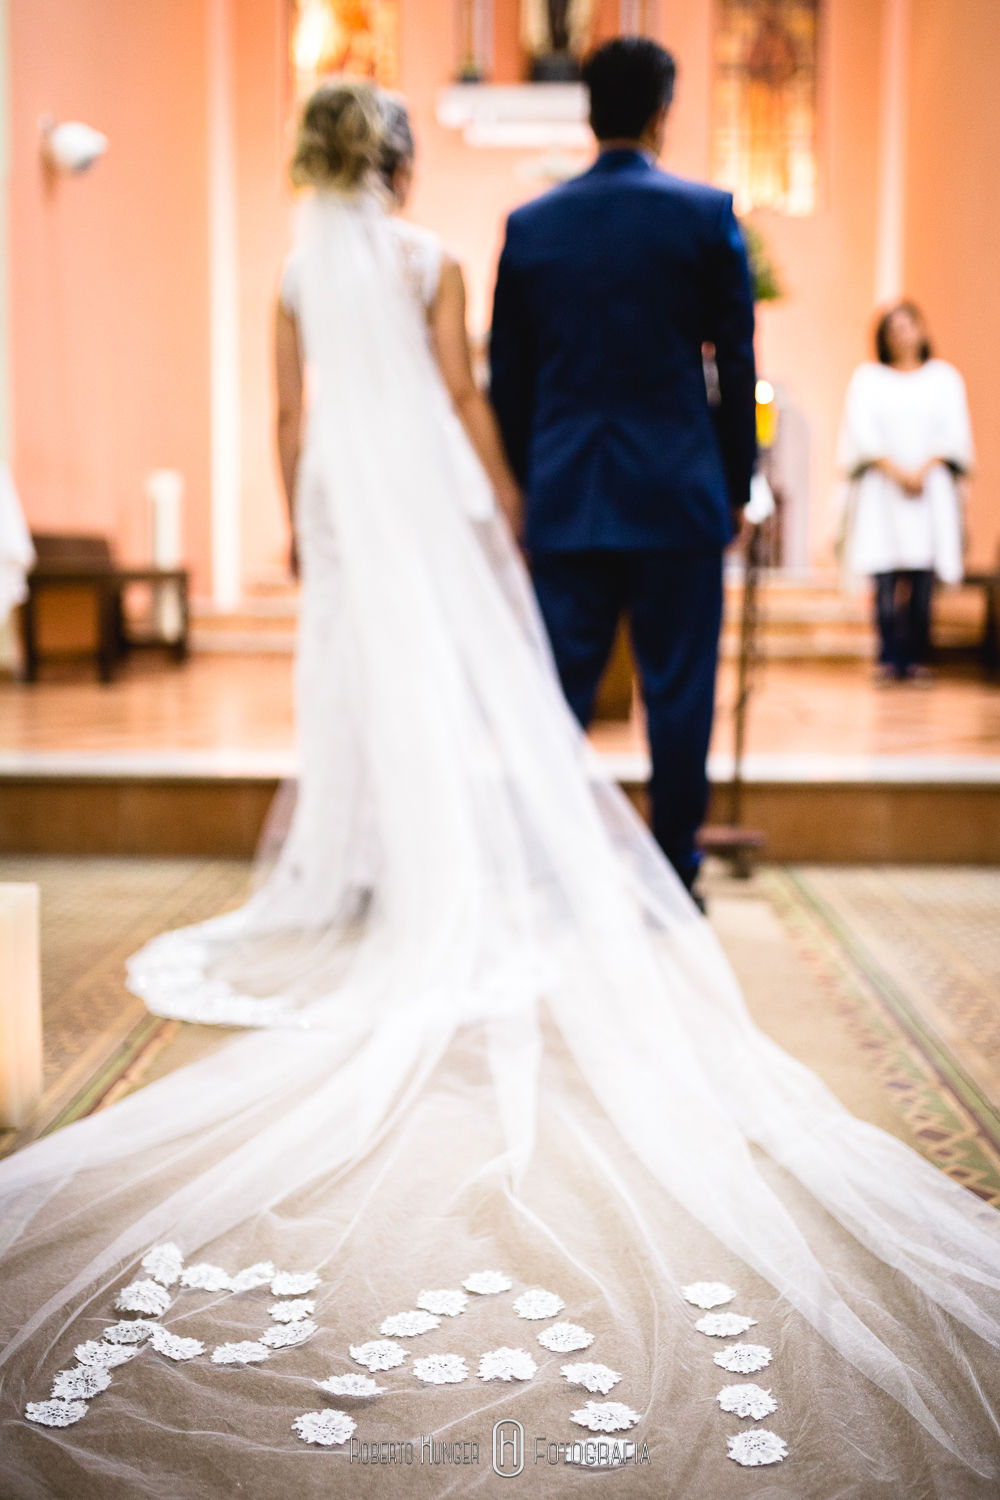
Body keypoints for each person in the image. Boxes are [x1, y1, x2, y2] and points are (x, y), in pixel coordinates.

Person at [2, 81, 1000, 1500]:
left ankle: (365, 866)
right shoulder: (511, 245)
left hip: (375, 483)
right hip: (518, 484)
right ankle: (632, 874)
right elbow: (513, 386)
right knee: (592, 705)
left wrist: (319, 512)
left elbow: (336, 404)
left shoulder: (366, 255)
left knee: (364, 687)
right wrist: (536, 494)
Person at [489, 36, 757, 899]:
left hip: (569, 494)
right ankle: (674, 866)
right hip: (677, 493)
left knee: (556, 696)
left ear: (588, 110)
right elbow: (737, 368)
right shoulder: (706, 213)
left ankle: (549, 869)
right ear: (660, 111)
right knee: (678, 693)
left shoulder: (532, 227)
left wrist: (530, 485)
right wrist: (735, 485)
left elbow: (510, 379)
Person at [838, 300, 973, 682]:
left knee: (921, 579)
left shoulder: (944, 378)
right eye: (892, 327)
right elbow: (860, 433)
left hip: (929, 491)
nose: (901, 333)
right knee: (884, 574)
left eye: (907, 324)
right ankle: (887, 655)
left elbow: (954, 433)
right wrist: (895, 469)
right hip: (883, 488)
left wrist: (924, 468)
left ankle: (915, 656)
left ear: (923, 329)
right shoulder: (868, 379)